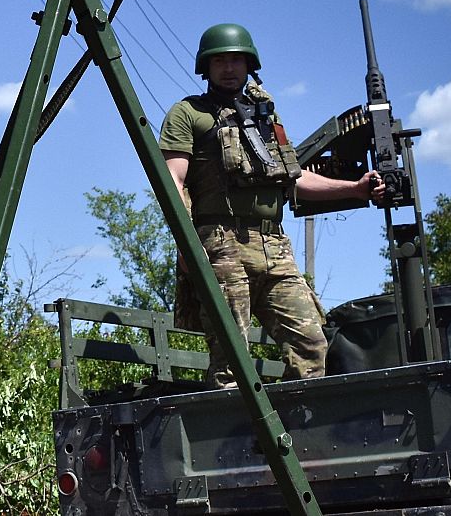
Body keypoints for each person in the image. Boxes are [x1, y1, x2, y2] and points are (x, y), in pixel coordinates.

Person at [160, 24, 385, 388]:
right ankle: (234, 441)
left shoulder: (266, 120)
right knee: (231, 360)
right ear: (206, 67)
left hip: (275, 246)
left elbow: (292, 177)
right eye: (220, 60)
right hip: (220, 244)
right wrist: (187, 243)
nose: (229, 68)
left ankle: (300, 433)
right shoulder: (188, 114)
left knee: (312, 344)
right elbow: (173, 182)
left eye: (236, 60)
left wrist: (355, 189)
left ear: (250, 65)